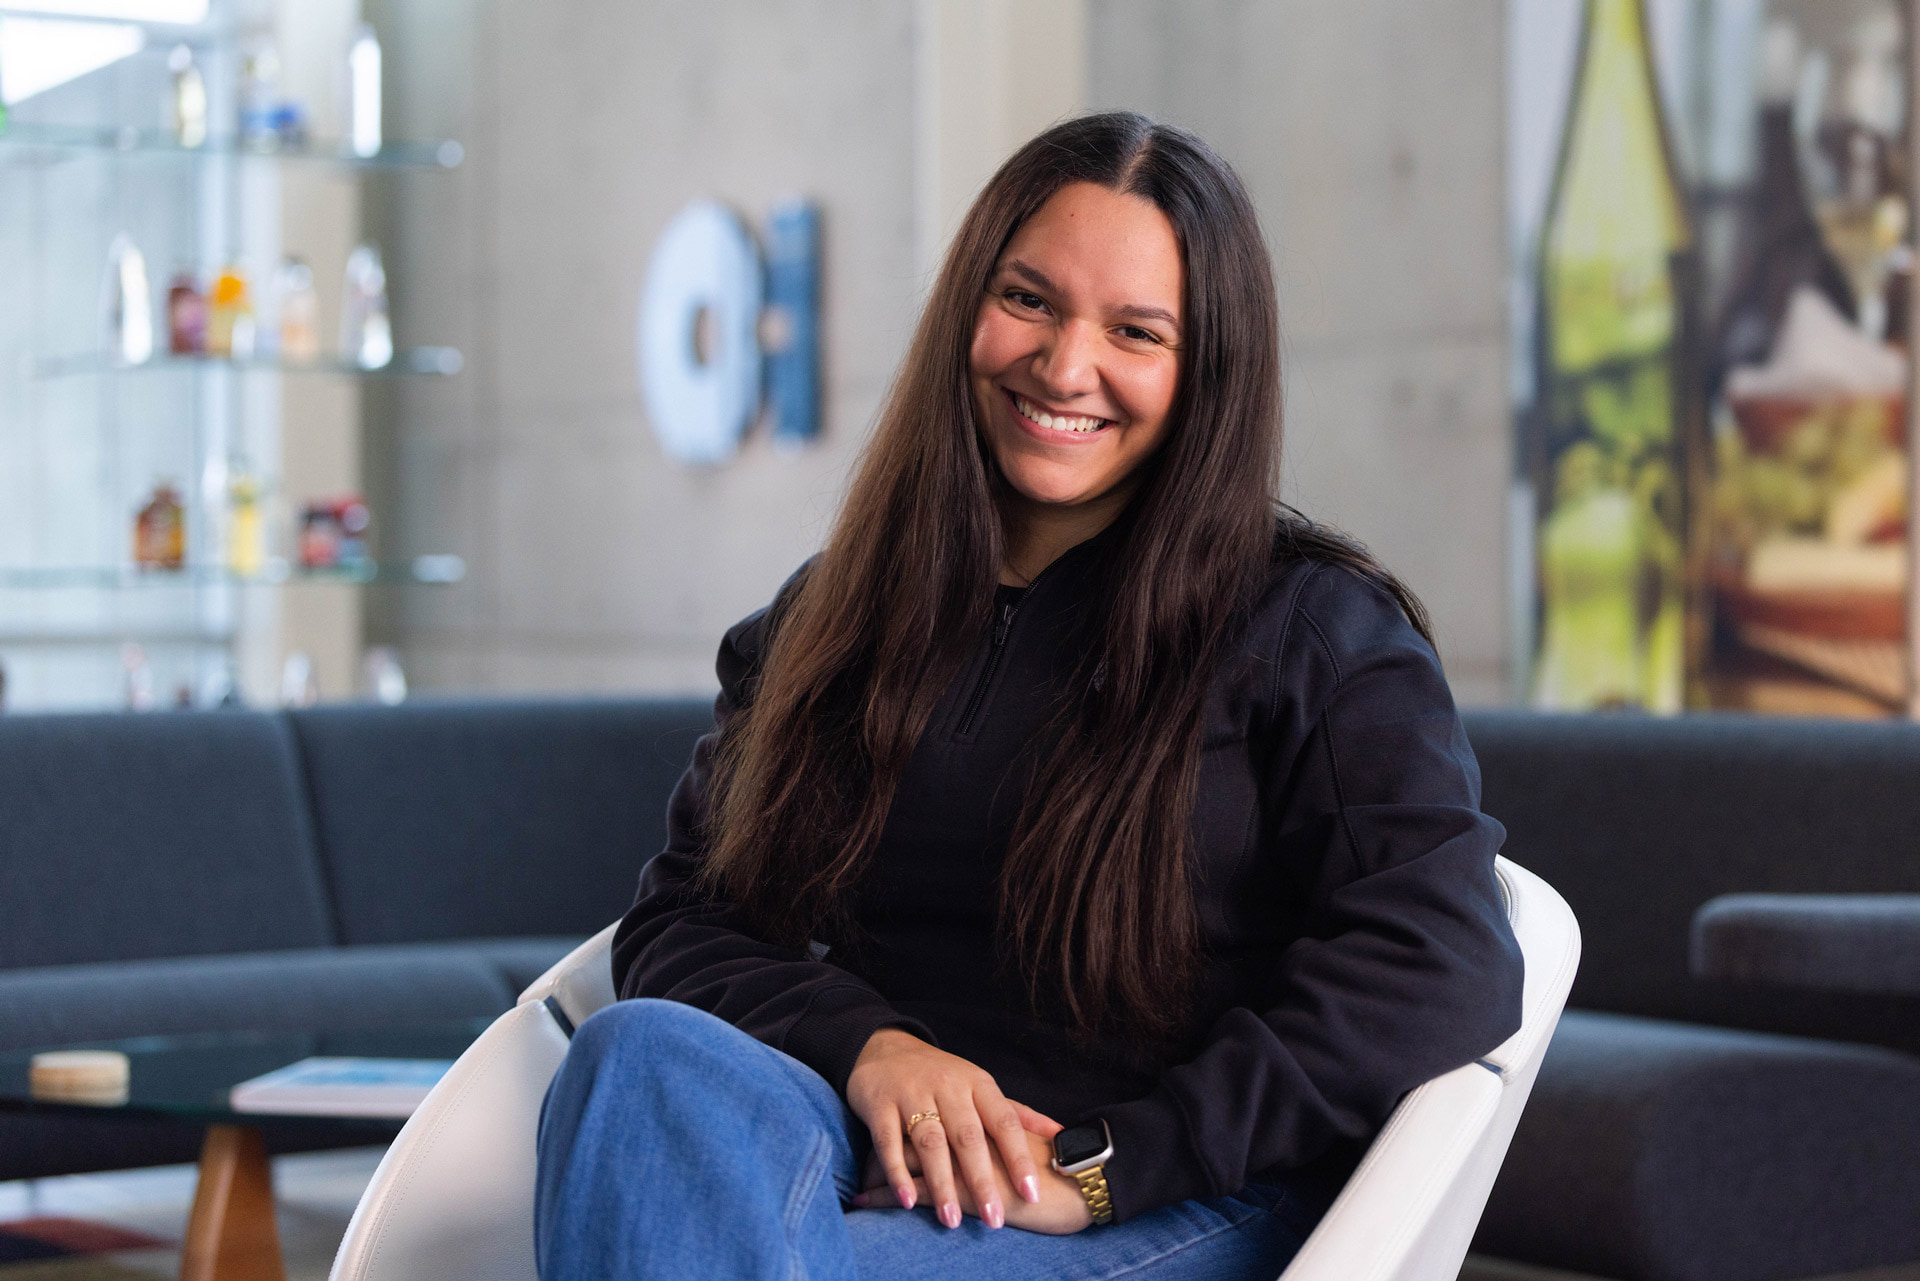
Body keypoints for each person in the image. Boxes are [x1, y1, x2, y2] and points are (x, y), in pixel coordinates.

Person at [534, 111, 1524, 1281]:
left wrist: (1110, 1168)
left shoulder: (1313, 631)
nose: (1063, 367)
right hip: (864, 1151)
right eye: (1030, 300)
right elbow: (683, 922)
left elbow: (1437, 961)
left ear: (1208, 369)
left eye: (1136, 331)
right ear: (969, 305)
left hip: (1172, 1202)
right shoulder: (830, 616)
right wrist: (873, 1048)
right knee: (638, 1055)